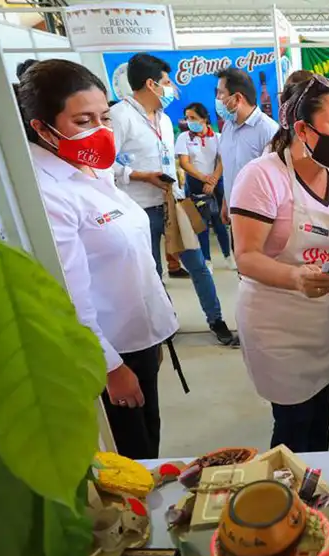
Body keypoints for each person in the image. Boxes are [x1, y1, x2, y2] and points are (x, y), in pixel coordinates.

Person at [16, 59, 178, 459]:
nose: (100, 130)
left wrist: (153, 331)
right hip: (107, 353)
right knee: (132, 458)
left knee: (150, 443)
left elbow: (133, 256)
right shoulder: (48, 193)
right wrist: (110, 367)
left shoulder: (92, 170)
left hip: (139, 339)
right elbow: (70, 296)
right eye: (82, 120)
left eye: (104, 116)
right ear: (41, 128)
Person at [229, 75, 329, 452]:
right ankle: (289, 501)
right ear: (302, 128)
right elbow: (246, 257)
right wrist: (295, 276)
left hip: (321, 320)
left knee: (319, 419)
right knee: (293, 427)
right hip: (277, 324)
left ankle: (315, 492)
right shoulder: (263, 177)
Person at [110, 53, 237, 347]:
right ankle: (163, 324)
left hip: (174, 204)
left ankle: (216, 319)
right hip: (139, 208)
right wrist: (139, 175)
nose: (171, 89)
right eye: (167, 82)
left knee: (199, 267)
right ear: (151, 84)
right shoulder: (120, 117)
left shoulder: (166, 121)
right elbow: (105, 166)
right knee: (152, 273)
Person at [215, 67, 279, 228]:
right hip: (235, 216)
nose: (217, 98)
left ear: (237, 98)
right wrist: (225, 201)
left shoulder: (268, 130)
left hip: (261, 220)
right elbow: (230, 170)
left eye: (221, 93)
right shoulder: (227, 127)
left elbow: (278, 180)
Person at [176, 102, 232, 269]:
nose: (189, 121)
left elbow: (222, 160)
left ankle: (229, 256)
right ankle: (206, 260)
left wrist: (213, 180)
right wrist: (203, 179)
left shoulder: (218, 137)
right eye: (187, 118)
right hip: (194, 183)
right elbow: (184, 163)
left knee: (220, 222)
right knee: (201, 224)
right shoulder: (184, 137)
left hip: (216, 182)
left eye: (193, 117)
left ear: (204, 119)